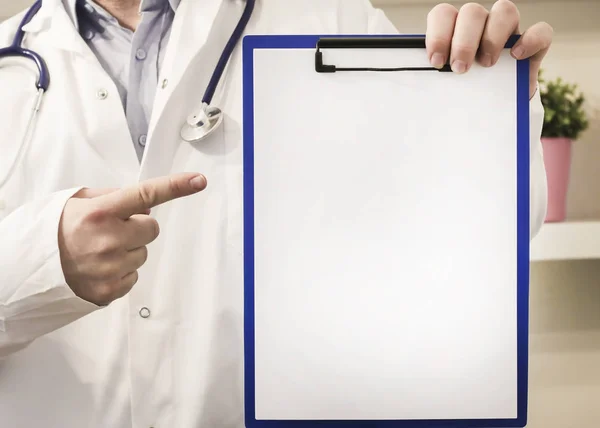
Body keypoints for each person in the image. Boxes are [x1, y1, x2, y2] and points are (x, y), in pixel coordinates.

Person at [0, 0, 551, 427]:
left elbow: (478, 244)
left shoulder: (335, 18)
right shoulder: (10, 61)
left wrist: (489, 109)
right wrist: (42, 262)